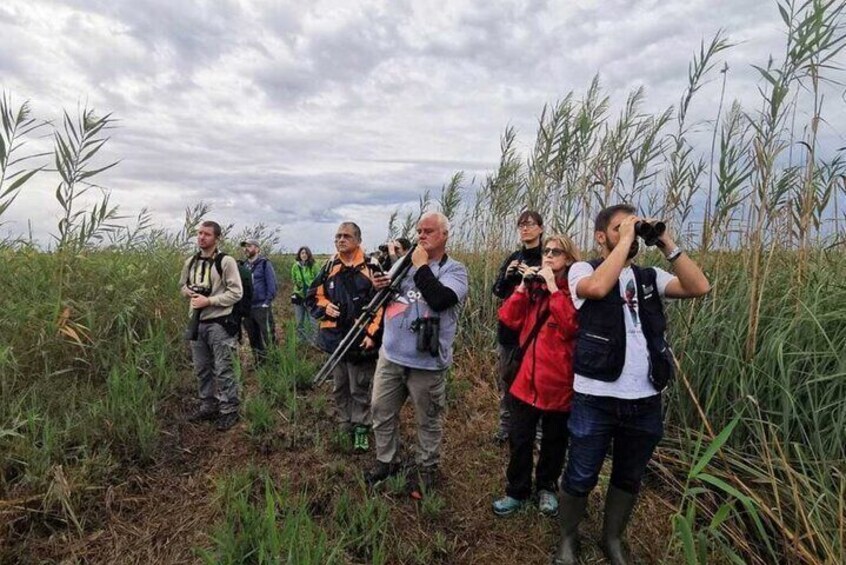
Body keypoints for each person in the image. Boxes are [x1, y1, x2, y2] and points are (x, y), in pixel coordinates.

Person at [554, 204, 710, 565]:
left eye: (634, 226)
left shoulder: (648, 277)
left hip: (645, 398)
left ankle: (612, 538)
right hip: (596, 394)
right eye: (620, 227)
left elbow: (699, 286)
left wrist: (665, 241)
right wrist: (625, 240)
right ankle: (567, 537)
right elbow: (597, 288)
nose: (631, 232)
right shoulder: (583, 270)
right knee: (580, 471)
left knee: (629, 474)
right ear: (600, 237)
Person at [365, 212, 469, 499]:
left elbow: (440, 300)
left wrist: (422, 267)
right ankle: (387, 461)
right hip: (391, 355)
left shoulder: (455, 270)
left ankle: (426, 469)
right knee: (380, 411)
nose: (421, 236)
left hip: (427, 363)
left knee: (428, 419)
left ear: (445, 235)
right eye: (419, 231)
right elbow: (389, 297)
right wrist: (381, 284)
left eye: (429, 231)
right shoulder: (404, 263)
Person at [492, 234, 580, 518]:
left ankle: (546, 488)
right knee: (520, 439)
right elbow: (507, 318)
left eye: (556, 252)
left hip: (557, 384)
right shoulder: (534, 289)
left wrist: (553, 287)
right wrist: (521, 288)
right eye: (546, 252)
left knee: (554, 443)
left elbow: (570, 326)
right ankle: (516, 491)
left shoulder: (573, 291)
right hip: (525, 381)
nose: (549, 256)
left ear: (568, 259)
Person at [311, 222, 382, 452]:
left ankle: (362, 427)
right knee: (339, 386)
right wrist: (326, 308)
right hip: (334, 338)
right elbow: (313, 296)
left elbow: (383, 303)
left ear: (358, 240)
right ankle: (345, 422)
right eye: (338, 236)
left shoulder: (372, 266)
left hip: (361, 339)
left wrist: (372, 333)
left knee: (359, 387)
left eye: (346, 236)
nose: (341, 240)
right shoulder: (329, 265)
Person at [180, 221, 244, 431]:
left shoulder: (226, 262)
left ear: (217, 238)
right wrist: (187, 292)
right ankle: (208, 404)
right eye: (199, 233)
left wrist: (210, 301)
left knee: (224, 367)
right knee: (202, 368)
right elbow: (182, 285)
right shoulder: (190, 262)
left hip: (219, 322)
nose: (201, 237)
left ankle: (229, 409)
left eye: (207, 234)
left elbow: (236, 293)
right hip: (197, 323)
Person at [491, 211, 545, 443]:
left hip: (536, 332)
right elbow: (498, 291)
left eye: (530, 224)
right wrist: (509, 276)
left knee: (537, 381)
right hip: (510, 331)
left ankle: (538, 431)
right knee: (507, 378)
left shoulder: (547, 257)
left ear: (541, 228)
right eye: (521, 225)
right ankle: (506, 427)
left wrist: (533, 277)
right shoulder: (514, 257)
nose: (525, 229)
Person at [240, 238, 277, 364]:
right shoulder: (244, 265)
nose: (246, 249)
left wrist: (266, 302)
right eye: (245, 246)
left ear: (257, 249)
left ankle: (274, 362)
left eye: (249, 246)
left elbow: (272, 285)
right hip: (248, 308)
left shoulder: (265, 264)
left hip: (261, 306)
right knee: (253, 337)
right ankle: (259, 362)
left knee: (268, 335)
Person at [291, 246, 320, 344]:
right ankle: (301, 341)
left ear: (309, 254)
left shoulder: (314, 265)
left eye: (305, 253)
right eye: (302, 253)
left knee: (313, 321)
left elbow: (319, 279)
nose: (304, 255)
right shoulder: (295, 266)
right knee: (299, 321)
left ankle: (314, 342)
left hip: (311, 297)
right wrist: (298, 287)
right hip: (299, 296)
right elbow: (294, 279)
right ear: (299, 254)